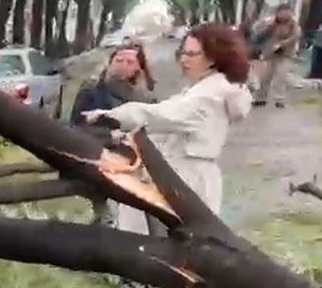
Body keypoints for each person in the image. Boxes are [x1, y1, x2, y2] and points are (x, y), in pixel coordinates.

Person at [81, 23, 254, 233]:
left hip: (187, 180)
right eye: (182, 53)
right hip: (178, 175)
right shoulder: (201, 89)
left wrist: (111, 115)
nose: (184, 60)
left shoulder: (208, 96)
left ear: (213, 58)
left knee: (178, 243)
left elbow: (159, 115)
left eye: (192, 54)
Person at [70, 43, 158, 129]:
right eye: (119, 61)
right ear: (110, 63)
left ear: (139, 67)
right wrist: (108, 135)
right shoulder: (91, 90)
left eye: (130, 62)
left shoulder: (147, 99)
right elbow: (77, 126)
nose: (123, 65)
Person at [252, 5, 301, 107]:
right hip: (271, 53)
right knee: (265, 76)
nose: (284, 15)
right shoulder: (272, 23)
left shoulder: (293, 25)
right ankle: (260, 98)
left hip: (286, 53)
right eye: (281, 12)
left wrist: (282, 44)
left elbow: (295, 37)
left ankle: (280, 99)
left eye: (287, 12)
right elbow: (261, 34)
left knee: (281, 76)